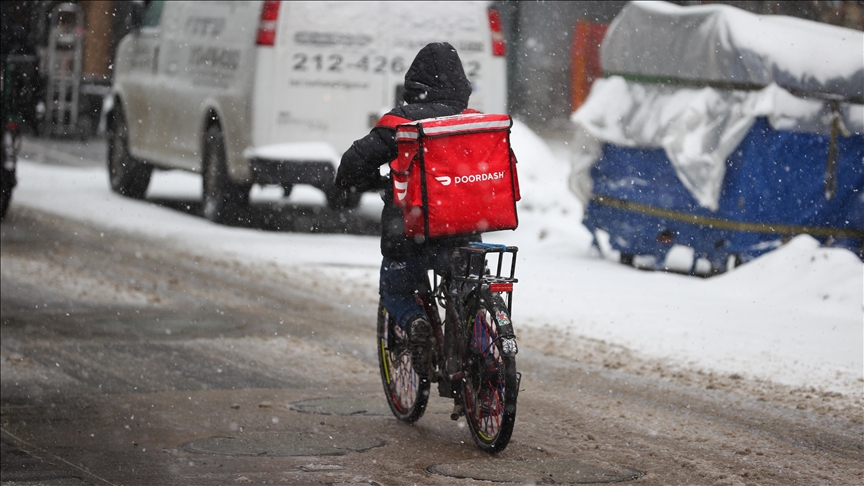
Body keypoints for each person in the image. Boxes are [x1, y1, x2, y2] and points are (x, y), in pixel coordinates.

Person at [334, 42, 479, 359]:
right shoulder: (475, 123)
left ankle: (415, 323)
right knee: (471, 291)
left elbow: (356, 160)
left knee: (396, 290)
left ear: (414, 86)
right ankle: (485, 353)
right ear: (462, 87)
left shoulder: (401, 122)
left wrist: (345, 182)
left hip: (410, 236)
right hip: (466, 233)